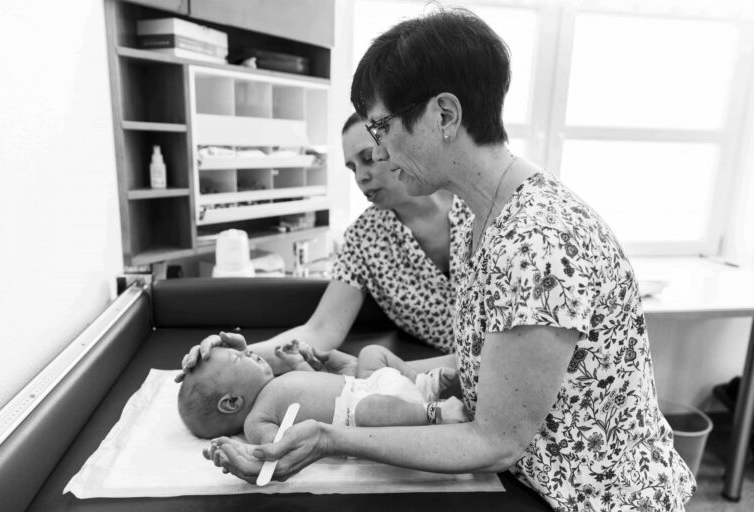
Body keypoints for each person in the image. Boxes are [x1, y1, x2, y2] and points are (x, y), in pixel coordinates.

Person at [202, 8, 696, 511]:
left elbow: (496, 441)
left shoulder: (537, 241)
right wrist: (369, 376)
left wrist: (329, 438)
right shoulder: (484, 221)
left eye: (381, 129)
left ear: (444, 115)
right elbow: (490, 367)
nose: (379, 154)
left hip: (596, 499)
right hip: (535, 478)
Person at [176, 112, 473, 381]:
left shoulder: (475, 202)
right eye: (352, 168)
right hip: (450, 379)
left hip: (489, 366)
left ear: (397, 146)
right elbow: (321, 330)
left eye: (369, 158)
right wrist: (238, 356)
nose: (360, 177)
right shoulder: (364, 238)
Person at [177, 340, 466, 441]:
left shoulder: (278, 381)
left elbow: (312, 386)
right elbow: (281, 444)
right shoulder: (257, 420)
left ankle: (420, 384)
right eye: (239, 358)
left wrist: (300, 363)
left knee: (371, 353)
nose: (249, 351)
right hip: (364, 413)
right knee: (369, 411)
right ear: (231, 402)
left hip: (366, 384)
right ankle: (432, 412)